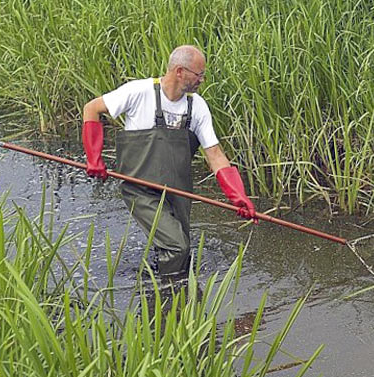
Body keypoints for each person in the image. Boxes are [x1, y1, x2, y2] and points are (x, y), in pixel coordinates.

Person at [81, 45, 256, 278]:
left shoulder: (197, 107)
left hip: (178, 192)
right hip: (140, 189)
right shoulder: (138, 92)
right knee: (177, 247)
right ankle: (167, 297)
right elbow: (91, 109)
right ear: (180, 71)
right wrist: (94, 158)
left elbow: (214, 154)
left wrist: (238, 196)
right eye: (199, 74)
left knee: (182, 251)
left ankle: (164, 290)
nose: (202, 80)